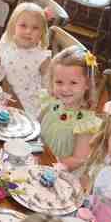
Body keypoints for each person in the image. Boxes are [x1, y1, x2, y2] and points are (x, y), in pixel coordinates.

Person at [39, 45, 102, 173]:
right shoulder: (51, 102)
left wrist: (50, 167)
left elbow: (78, 159)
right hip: (40, 156)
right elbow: (37, 125)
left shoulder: (85, 123)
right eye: (59, 82)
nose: (65, 89)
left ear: (87, 84)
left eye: (73, 83)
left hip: (58, 172)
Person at [0, 2, 52, 119]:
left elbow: (50, 88)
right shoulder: (6, 41)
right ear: (13, 25)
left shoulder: (42, 57)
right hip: (2, 91)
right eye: (23, 25)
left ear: (42, 32)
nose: (28, 31)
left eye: (35, 28)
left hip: (24, 106)